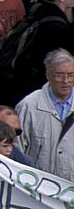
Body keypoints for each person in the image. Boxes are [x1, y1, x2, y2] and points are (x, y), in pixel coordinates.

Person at [16, 48, 74, 181]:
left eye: (70, 75)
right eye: (60, 74)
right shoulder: (28, 105)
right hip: (35, 189)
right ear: (48, 75)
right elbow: (16, 150)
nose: (66, 81)